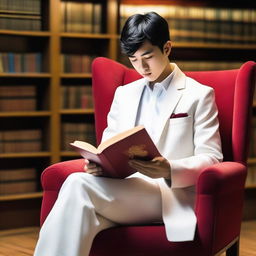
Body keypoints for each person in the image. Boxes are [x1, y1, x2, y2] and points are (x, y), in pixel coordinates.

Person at [34, 12, 223, 256]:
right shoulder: (124, 94)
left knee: (76, 185)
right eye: (133, 59)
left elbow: (212, 158)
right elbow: (109, 146)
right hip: (123, 190)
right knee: (79, 204)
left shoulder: (199, 95)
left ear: (167, 48)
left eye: (148, 56)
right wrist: (99, 166)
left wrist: (169, 169)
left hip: (169, 194)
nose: (141, 67)